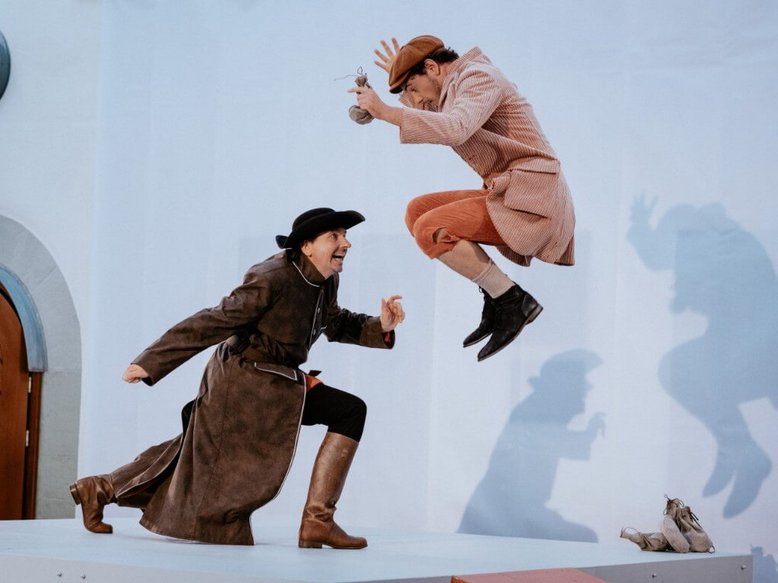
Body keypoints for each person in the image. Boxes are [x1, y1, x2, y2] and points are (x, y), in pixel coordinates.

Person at [69, 208, 404, 549]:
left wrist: (381, 326)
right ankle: (318, 522)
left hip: (277, 379)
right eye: (335, 236)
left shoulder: (326, 280)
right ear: (306, 246)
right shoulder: (272, 276)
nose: (346, 243)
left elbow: (336, 322)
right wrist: (151, 362)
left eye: (345, 235)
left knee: (194, 451)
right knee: (345, 411)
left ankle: (99, 488)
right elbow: (216, 319)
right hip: (243, 380)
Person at [350, 35, 575, 361]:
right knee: (417, 211)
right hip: (511, 190)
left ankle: (511, 300)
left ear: (432, 67)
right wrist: (398, 83)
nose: (414, 99)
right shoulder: (453, 87)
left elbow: (455, 127)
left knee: (430, 228)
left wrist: (384, 111)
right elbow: (433, 111)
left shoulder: (478, 77)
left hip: (534, 198)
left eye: (412, 87)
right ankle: (496, 295)